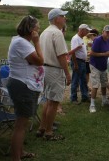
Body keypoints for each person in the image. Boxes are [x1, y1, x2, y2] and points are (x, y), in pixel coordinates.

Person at [7, 16, 44, 160]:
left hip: (26, 84)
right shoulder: (22, 43)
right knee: (20, 125)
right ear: (31, 29)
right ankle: (16, 157)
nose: (39, 30)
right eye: (37, 28)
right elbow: (40, 60)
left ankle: (20, 152)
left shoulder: (21, 42)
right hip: (23, 85)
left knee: (23, 122)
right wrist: (37, 42)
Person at [37, 8, 71, 140]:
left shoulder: (44, 32)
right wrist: (68, 74)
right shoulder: (57, 33)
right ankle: (49, 132)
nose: (65, 18)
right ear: (57, 18)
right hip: (54, 70)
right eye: (63, 16)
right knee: (54, 101)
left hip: (44, 69)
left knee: (48, 99)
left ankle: (42, 127)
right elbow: (62, 56)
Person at [88, 25, 109, 113]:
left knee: (104, 83)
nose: (108, 34)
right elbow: (92, 53)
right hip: (95, 65)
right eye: (107, 32)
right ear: (103, 32)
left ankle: (104, 101)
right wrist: (104, 54)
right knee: (95, 85)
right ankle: (92, 105)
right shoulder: (98, 40)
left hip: (103, 66)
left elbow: (108, 52)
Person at [70, 24, 92, 103]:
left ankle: (84, 96)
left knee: (83, 80)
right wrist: (75, 64)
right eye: (87, 30)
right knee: (75, 80)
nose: (88, 32)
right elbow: (73, 52)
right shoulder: (75, 38)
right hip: (78, 61)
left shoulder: (81, 38)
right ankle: (73, 98)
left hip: (82, 62)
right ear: (82, 30)